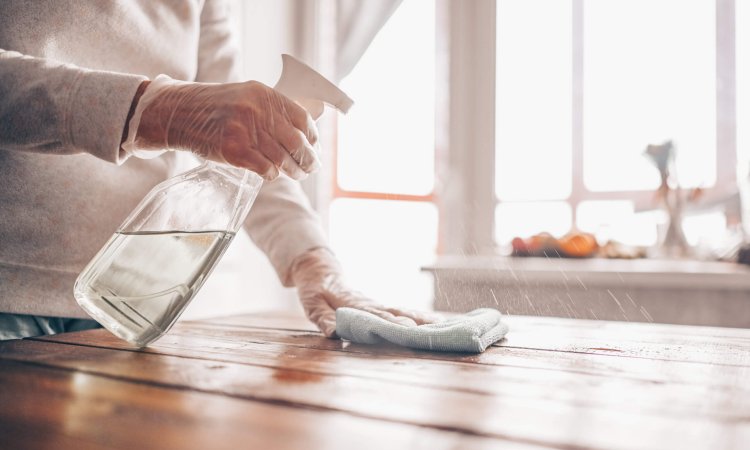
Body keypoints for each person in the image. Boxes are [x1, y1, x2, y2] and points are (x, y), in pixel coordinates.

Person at [0, 0, 435, 340]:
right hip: (10, 296)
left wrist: (311, 259)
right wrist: (158, 110)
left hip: (133, 308)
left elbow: (248, 150)